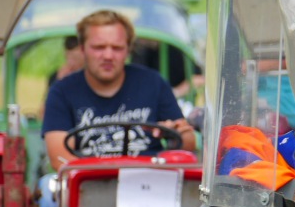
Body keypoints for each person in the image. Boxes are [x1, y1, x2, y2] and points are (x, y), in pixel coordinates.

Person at [42, 10, 198, 171]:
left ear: (128, 50)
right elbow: (60, 159)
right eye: (99, 47)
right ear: (82, 49)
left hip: (149, 182)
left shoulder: (153, 83)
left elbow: (187, 143)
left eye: (116, 48)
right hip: (87, 185)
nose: (108, 55)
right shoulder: (62, 91)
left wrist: (173, 134)